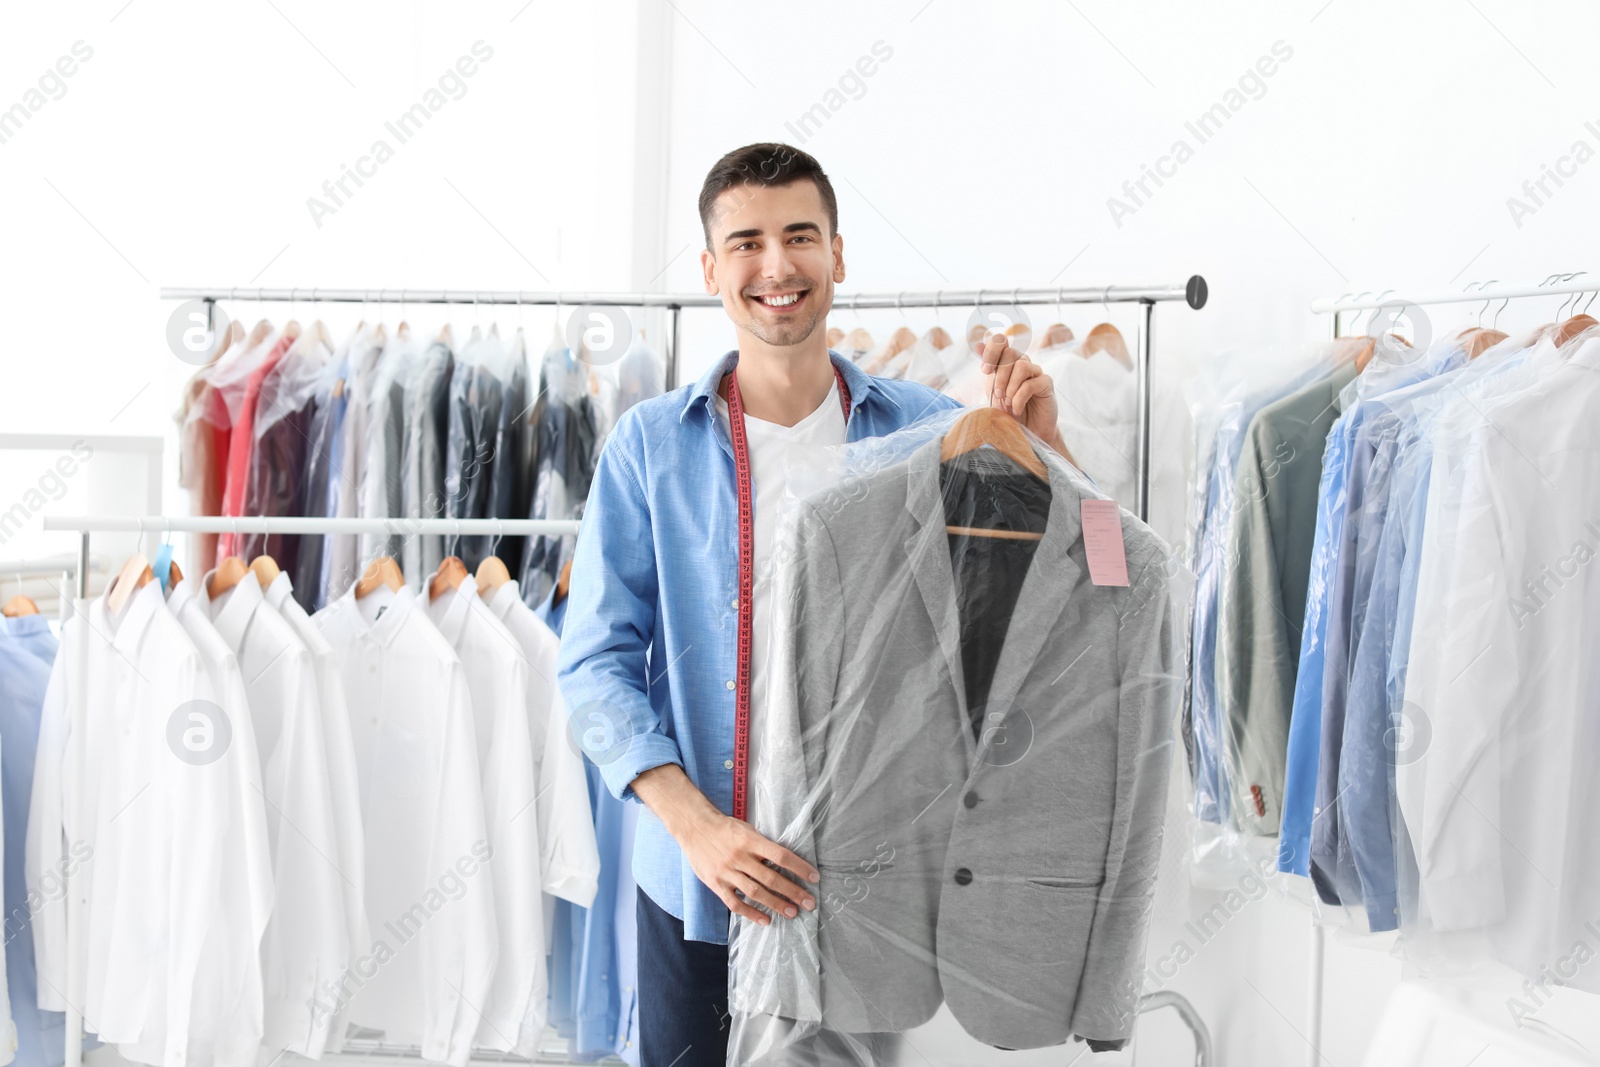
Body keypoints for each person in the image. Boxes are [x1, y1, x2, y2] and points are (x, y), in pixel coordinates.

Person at [555, 142, 1076, 1067]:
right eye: (747, 242)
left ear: (838, 254)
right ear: (713, 270)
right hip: (697, 882)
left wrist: (1049, 462)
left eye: (800, 236)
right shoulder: (648, 447)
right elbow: (594, 663)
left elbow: (1033, 621)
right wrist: (697, 827)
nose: (777, 265)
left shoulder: (928, 433)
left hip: (866, 884)